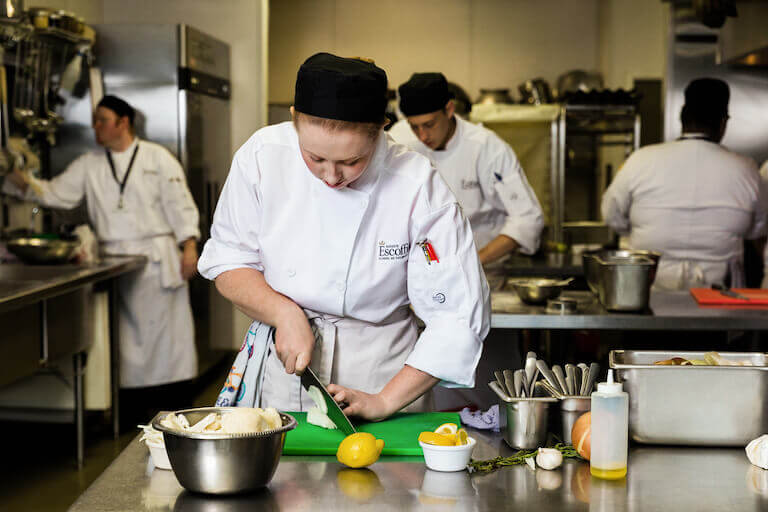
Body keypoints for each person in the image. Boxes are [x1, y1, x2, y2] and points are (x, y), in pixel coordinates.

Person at [197, 53, 490, 420]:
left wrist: (384, 400)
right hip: (286, 364)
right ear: (293, 119)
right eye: (315, 157)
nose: (331, 177)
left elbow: (459, 315)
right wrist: (283, 313)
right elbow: (229, 261)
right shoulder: (261, 156)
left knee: (391, 478)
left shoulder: (418, 185)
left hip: (385, 373)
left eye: (352, 162)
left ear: (382, 128)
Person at [3, 95, 200, 422]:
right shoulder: (89, 163)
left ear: (124, 122)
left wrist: (189, 246)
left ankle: (176, 408)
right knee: (125, 346)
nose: (96, 127)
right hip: (115, 261)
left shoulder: (157, 158)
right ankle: (132, 412)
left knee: (168, 342)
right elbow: (52, 193)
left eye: (102, 120)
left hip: (157, 259)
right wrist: (15, 176)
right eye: (94, 120)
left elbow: (180, 204)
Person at [602, 78, 767, 290]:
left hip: (649, 289)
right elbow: (758, 227)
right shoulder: (746, 170)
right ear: (723, 122)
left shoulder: (641, 160)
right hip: (719, 297)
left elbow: (611, 214)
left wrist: (638, 229)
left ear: (682, 117)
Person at [389, 72, 544, 265]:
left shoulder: (487, 147)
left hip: (484, 268)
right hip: (423, 265)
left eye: (429, 125)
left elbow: (527, 219)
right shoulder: (399, 139)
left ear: (449, 109)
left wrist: (471, 264)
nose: (422, 136)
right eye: (414, 127)